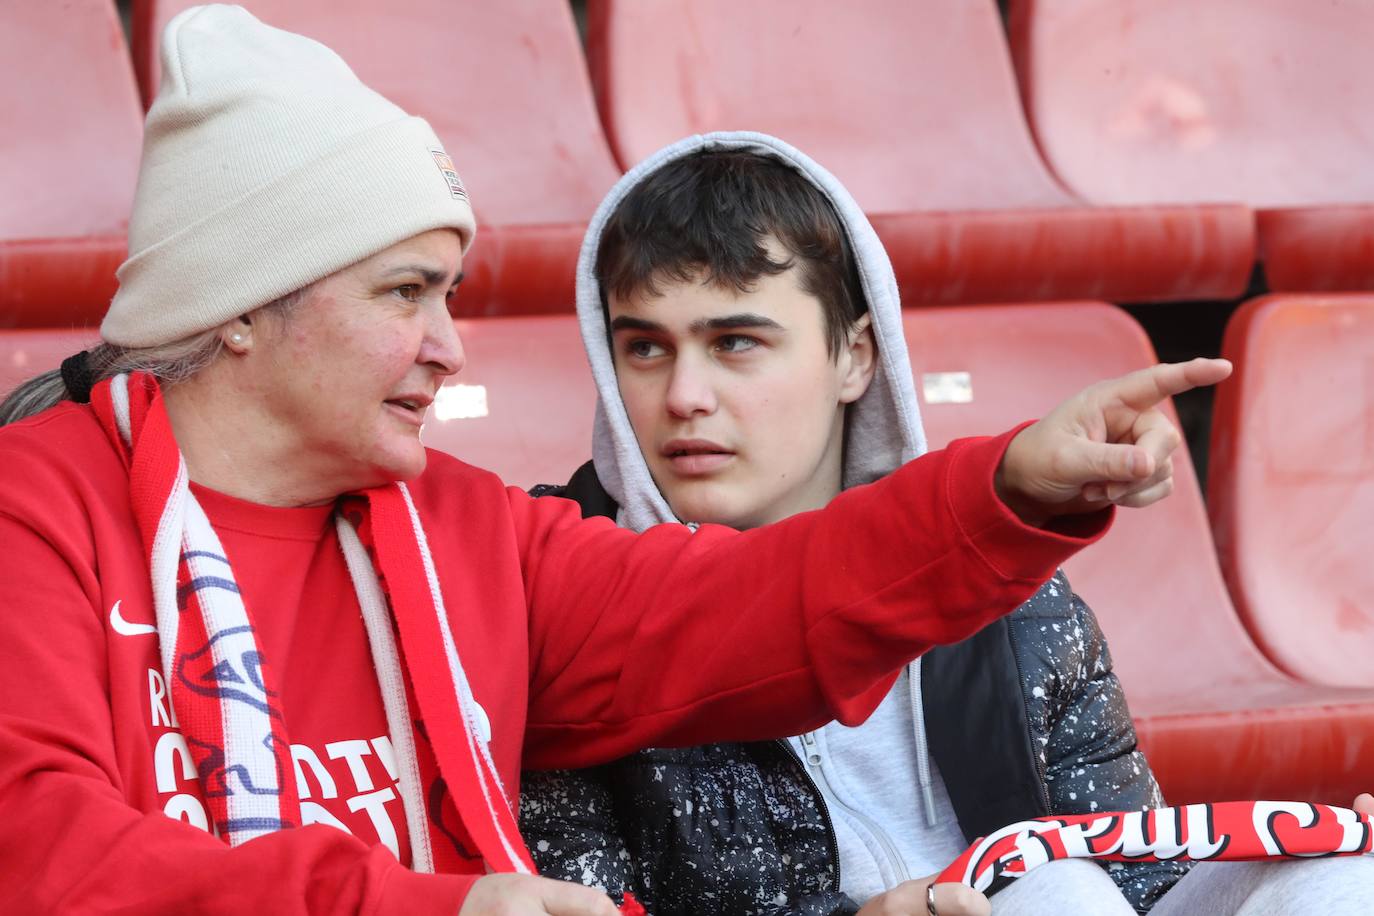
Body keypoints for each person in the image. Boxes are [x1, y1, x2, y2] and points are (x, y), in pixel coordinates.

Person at [0, 8, 1220, 915]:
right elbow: (39, 852)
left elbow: (750, 607)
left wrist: (1005, 487)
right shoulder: (35, 512)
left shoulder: (460, 530)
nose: (448, 345)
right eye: (405, 292)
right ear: (242, 308)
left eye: (450, 292)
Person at [517, 134, 1374, 916]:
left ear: (855, 355)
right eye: (645, 348)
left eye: (736, 342)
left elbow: (1135, 874)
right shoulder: (555, 593)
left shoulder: (1009, 589)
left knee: (1340, 880)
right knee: (1053, 895)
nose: (684, 397)